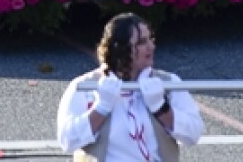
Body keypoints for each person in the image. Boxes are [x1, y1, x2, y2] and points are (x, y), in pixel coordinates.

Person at [56, 14, 202, 162]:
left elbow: (193, 134)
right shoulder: (85, 87)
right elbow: (67, 140)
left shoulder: (168, 83)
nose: (151, 46)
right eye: (142, 42)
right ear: (120, 49)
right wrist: (101, 108)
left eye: (150, 39)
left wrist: (161, 108)